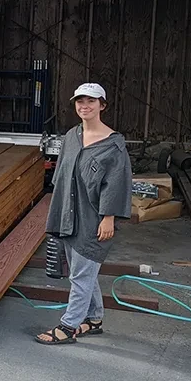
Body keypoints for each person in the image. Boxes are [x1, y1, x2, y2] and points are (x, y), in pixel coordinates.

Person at [35, 83, 131, 345]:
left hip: (94, 218)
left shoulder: (113, 145)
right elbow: (62, 177)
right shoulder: (71, 137)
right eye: (80, 101)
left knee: (81, 273)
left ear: (102, 105)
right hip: (69, 214)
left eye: (91, 101)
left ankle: (68, 326)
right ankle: (94, 319)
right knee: (84, 272)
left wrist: (109, 217)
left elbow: (118, 183)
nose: (84, 106)